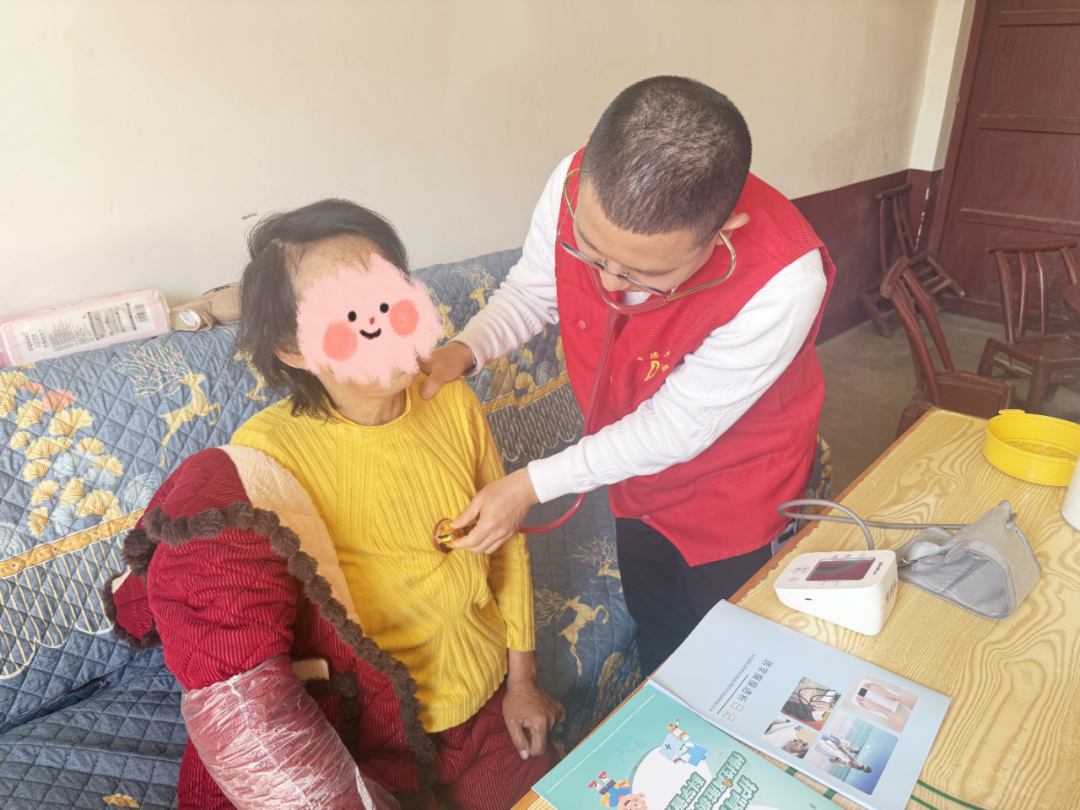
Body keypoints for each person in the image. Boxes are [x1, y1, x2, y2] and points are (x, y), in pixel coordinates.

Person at [110, 199, 558, 810]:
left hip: (483, 701)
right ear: (292, 349)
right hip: (370, 730)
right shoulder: (264, 455)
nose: (380, 321)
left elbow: (505, 542)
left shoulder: (452, 401)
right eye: (345, 312)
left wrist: (523, 680)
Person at [421, 76, 835, 673]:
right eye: (591, 251)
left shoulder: (784, 280)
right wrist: (462, 351)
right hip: (631, 476)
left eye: (645, 275)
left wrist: (527, 487)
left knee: (730, 651)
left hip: (737, 488)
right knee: (656, 625)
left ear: (725, 231)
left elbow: (673, 429)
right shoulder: (573, 183)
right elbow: (535, 290)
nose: (609, 284)